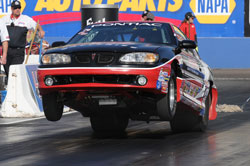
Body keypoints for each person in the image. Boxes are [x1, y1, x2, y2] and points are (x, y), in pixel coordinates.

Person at [1, 0, 45, 77]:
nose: (17, 9)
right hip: (7, 50)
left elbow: (36, 25)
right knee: (8, 72)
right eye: (15, 8)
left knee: (14, 72)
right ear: (11, 9)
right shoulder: (4, 19)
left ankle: (15, 88)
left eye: (19, 8)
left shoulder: (26, 19)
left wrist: (40, 30)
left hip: (19, 51)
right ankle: (9, 88)